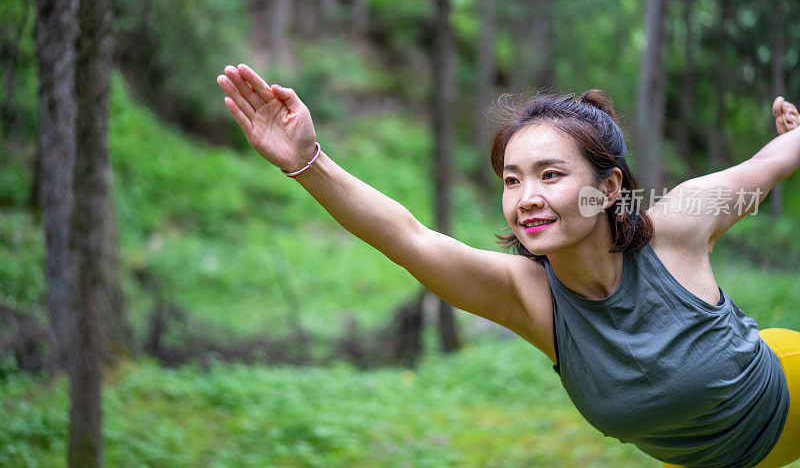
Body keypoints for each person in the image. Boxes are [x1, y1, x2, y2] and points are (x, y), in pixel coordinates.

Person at [217, 63, 800, 467]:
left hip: (787, 394)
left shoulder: (677, 228)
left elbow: (769, 164)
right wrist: (307, 162)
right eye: (512, 180)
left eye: (551, 175)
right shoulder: (528, 297)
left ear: (608, 185)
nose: (526, 198)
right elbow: (409, 239)